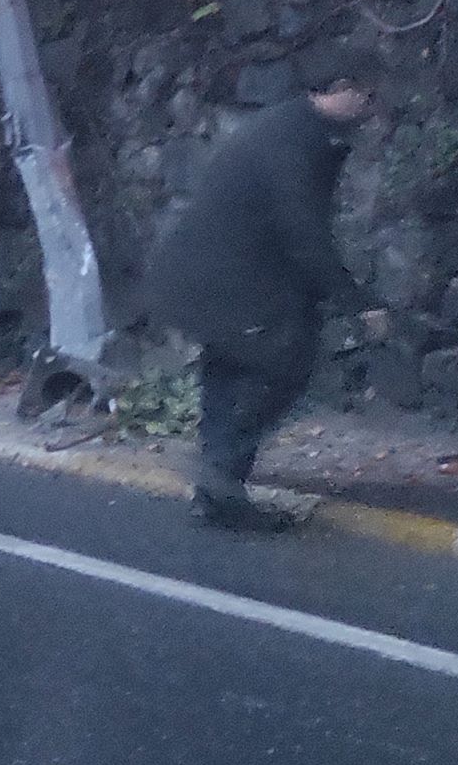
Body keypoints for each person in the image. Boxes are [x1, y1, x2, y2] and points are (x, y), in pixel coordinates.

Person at [145, 79, 375, 531]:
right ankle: (220, 473)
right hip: (231, 279)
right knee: (285, 364)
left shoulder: (288, 127)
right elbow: (303, 231)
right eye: (368, 96)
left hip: (210, 276)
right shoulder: (295, 140)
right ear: (343, 89)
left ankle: (216, 489)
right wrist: (356, 303)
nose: (371, 109)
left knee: (230, 367)